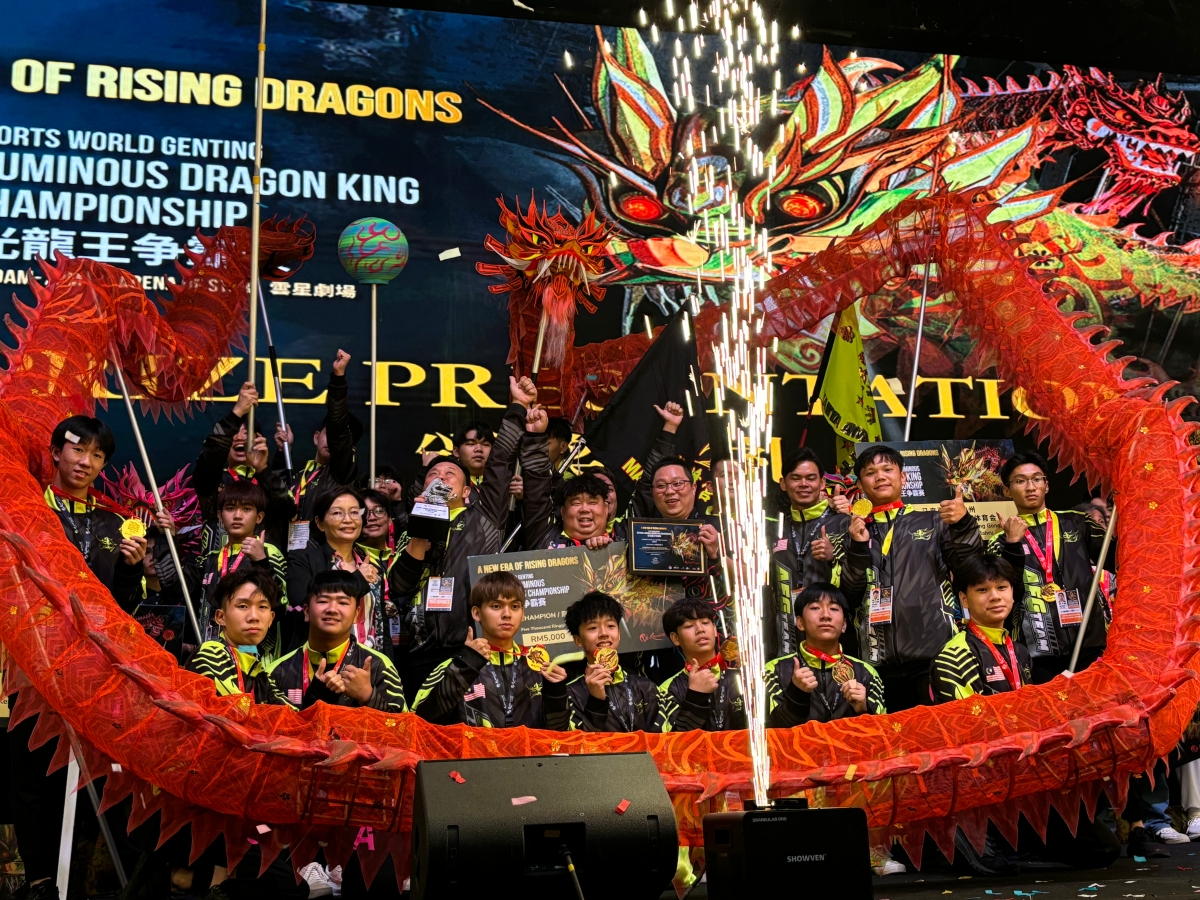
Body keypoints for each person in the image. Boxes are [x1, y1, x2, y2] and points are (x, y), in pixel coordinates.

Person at [14, 416, 149, 900]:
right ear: (55, 452)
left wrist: (132, 570)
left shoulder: (116, 523)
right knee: (34, 774)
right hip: (33, 665)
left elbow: (126, 608)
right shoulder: (27, 510)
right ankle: (39, 881)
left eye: (97, 455)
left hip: (96, 674)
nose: (85, 462)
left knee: (98, 779)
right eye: (78, 450)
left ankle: (91, 881)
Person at [390, 377, 539, 700]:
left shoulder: (485, 514)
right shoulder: (413, 529)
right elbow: (399, 587)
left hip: (471, 645)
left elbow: (500, 462)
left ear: (467, 491)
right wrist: (420, 532)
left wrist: (517, 407)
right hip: (419, 650)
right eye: (433, 474)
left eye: (450, 475)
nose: (441, 478)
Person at [840, 444, 983, 711]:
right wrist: (858, 548)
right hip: (878, 662)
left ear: (903, 477)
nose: (880, 477)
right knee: (892, 736)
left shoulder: (933, 522)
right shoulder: (853, 532)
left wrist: (964, 524)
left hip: (934, 656)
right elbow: (848, 596)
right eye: (870, 473)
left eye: (887, 469)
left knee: (939, 732)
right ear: (860, 485)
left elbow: (970, 568)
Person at [994, 451, 1113, 682]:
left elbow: (1118, 559)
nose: (1030, 487)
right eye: (1020, 481)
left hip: (1089, 644)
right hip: (1036, 653)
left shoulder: (1077, 522)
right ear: (1007, 491)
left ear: (1047, 485)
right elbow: (1004, 591)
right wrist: (1013, 545)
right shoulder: (1000, 540)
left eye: (1036, 479)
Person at [411, 572, 569, 728]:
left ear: (522, 614)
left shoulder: (539, 668)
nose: (507, 614)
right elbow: (422, 723)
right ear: (476, 613)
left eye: (515, 606)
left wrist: (557, 691)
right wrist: (467, 666)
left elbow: (559, 733)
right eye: (496, 606)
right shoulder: (457, 666)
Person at [267, 570, 407, 712]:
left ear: (356, 614)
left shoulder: (379, 665)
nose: (332, 609)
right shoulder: (276, 672)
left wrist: (368, 697)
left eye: (343, 602)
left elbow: (405, 724)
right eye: (323, 601)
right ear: (306, 611)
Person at [192, 381, 295, 550]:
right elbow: (211, 452)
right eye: (234, 433)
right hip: (218, 563)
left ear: (259, 440)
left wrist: (263, 470)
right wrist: (238, 411)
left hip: (263, 564)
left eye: (246, 433)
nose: (239, 437)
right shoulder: (212, 481)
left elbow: (288, 509)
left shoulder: (268, 481)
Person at [764, 582, 884, 726]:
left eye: (834, 608)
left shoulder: (866, 673)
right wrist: (796, 694)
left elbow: (883, 733)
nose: (826, 615)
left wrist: (864, 711)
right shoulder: (774, 671)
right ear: (800, 622)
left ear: (844, 625)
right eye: (815, 608)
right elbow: (768, 732)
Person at [770, 447, 852, 658]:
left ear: (822, 483)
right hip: (786, 635)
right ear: (783, 483)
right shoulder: (775, 528)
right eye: (795, 478)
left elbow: (861, 581)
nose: (804, 484)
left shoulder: (843, 522)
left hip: (831, 635)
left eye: (811, 478)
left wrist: (834, 557)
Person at [274, 349, 363, 542]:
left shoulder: (342, 474)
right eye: (328, 434)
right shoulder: (299, 474)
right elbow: (275, 496)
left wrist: (338, 378)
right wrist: (283, 453)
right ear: (316, 437)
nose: (333, 442)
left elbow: (338, 427)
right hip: (288, 551)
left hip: (324, 553)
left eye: (339, 440)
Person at [192, 480, 288, 656]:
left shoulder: (269, 553)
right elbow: (173, 586)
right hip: (213, 652)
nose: (237, 515)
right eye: (230, 508)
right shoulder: (210, 558)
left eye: (246, 509)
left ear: (259, 517)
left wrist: (261, 561)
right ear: (220, 516)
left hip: (254, 655)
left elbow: (281, 607)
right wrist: (166, 536)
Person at [285, 488, 382, 653]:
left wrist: (386, 661)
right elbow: (304, 608)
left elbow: (379, 622)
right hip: (322, 658)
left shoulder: (369, 562)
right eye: (337, 513)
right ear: (320, 523)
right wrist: (358, 579)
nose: (348, 520)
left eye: (354, 512)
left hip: (368, 658)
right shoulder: (303, 557)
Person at [930, 555, 1033, 703]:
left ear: (1012, 593)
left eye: (1001, 587)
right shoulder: (955, 657)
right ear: (964, 599)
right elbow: (967, 717)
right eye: (983, 589)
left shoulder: (1020, 652)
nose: (995, 596)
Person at [563, 592, 664, 732]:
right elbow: (579, 743)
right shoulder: (571, 694)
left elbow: (662, 739)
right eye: (593, 628)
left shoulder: (645, 687)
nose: (604, 633)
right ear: (578, 640)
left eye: (610, 625)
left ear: (619, 634)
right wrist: (596, 701)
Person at [187, 569, 291, 704]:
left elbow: (290, 714)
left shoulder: (261, 674)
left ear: (271, 619)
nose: (254, 617)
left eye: (262, 607)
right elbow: (236, 710)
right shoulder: (210, 653)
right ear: (221, 617)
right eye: (242, 606)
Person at [657, 598, 746, 731]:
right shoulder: (667, 690)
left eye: (705, 622)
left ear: (714, 630)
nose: (700, 629)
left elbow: (770, 728)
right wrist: (695, 697)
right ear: (675, 638)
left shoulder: (742, 675)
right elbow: (672, 741)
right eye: (689, 626)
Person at [358, 488, 403, 659]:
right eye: (364, 512)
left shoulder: (400, 557)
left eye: (379, 511)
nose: (371, 518)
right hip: (370, 649)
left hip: (407, 646)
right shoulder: (351, 558)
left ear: (390, 518)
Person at [533, 473, 614, 551]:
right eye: (576, 503)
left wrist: (606, 548)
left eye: (592, 502)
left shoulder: (620, 534)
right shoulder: (544, 536)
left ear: (606, 509)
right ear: (563, 512)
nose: (584, 509)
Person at [452, 419, 494, 485]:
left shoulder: (505, 481)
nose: (479, 449)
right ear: (457, 452)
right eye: (471, 444)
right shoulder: (447, 481)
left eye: (485, 444)